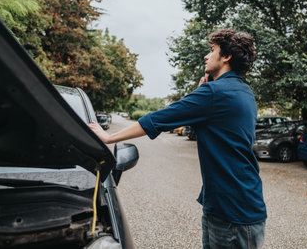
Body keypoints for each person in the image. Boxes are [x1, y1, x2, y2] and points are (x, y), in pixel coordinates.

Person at [88, 28, 267, 249]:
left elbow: (158, 119)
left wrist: (108, 137)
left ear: (226, 57)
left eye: (212, 50)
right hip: (232, 205)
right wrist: (203, 90)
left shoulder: (214, 93)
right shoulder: (243, 92)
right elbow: (213, 124)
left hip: (232, 212)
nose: (206, 56)